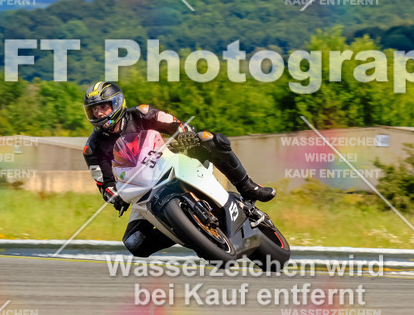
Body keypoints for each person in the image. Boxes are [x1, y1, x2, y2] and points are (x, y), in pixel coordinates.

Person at [81, 81, 275, 257]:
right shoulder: (92, 148)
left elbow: (174, 123)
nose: (98, 114)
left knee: (210, 139)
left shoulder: (141, 113)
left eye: (103, 107)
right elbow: (103, 182)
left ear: (117, 103)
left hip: (170, 158)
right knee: (135, 243)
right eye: (93, 110)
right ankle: (187, 233)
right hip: (142, 187)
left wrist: (183, 134)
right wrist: (114, 195)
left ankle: (248, 186)